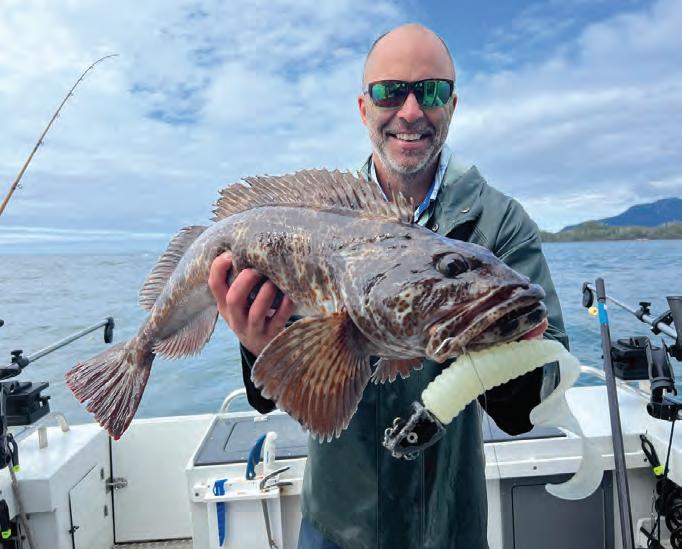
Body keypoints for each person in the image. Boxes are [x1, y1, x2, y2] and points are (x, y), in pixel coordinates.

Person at [208, 23, 568, 549]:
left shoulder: (501, 222)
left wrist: (506, 351)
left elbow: (530, 405)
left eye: (432, 91)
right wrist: (256, 347)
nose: (411, 110)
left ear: (452, 105)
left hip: (450, 526)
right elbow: (270, 400)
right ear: (363, 107)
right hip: (336, 523)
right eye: (389, 91)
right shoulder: (309, 226)